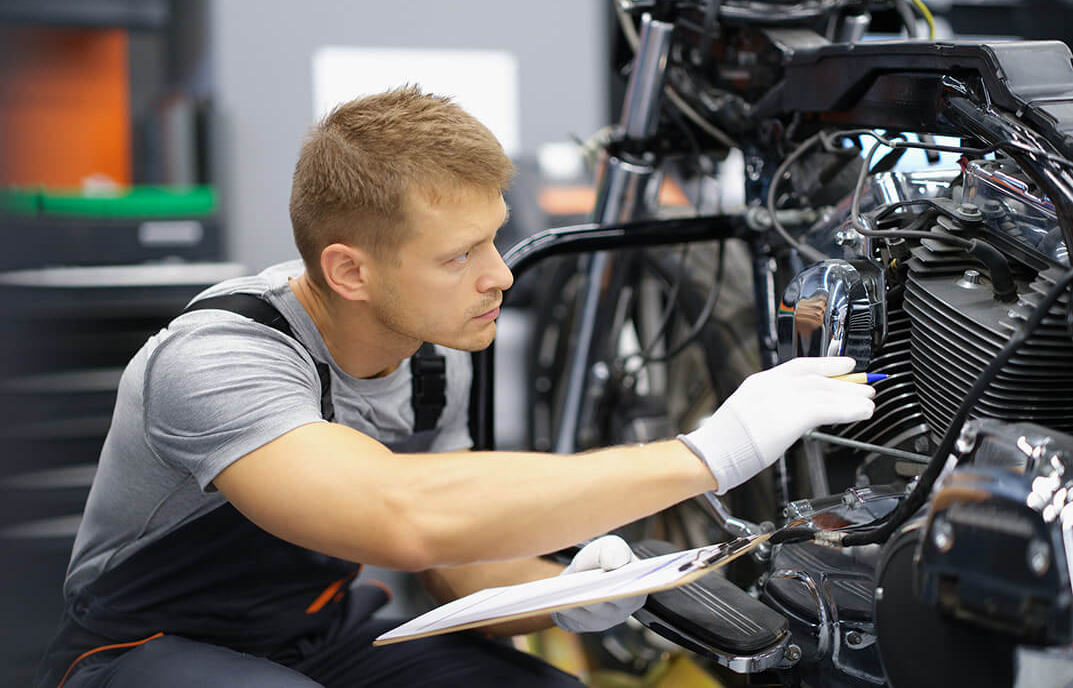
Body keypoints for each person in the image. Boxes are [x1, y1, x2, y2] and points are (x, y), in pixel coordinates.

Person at [35, 86, 876, 688]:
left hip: (320, 633)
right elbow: (399, 515)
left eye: (494, 241)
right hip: (138, 649)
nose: (501, 276)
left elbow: (451, 562)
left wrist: (565, 593)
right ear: (347, 270)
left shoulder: (439, 348)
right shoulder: (219, 356)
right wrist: (709, 453)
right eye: (458, 255)